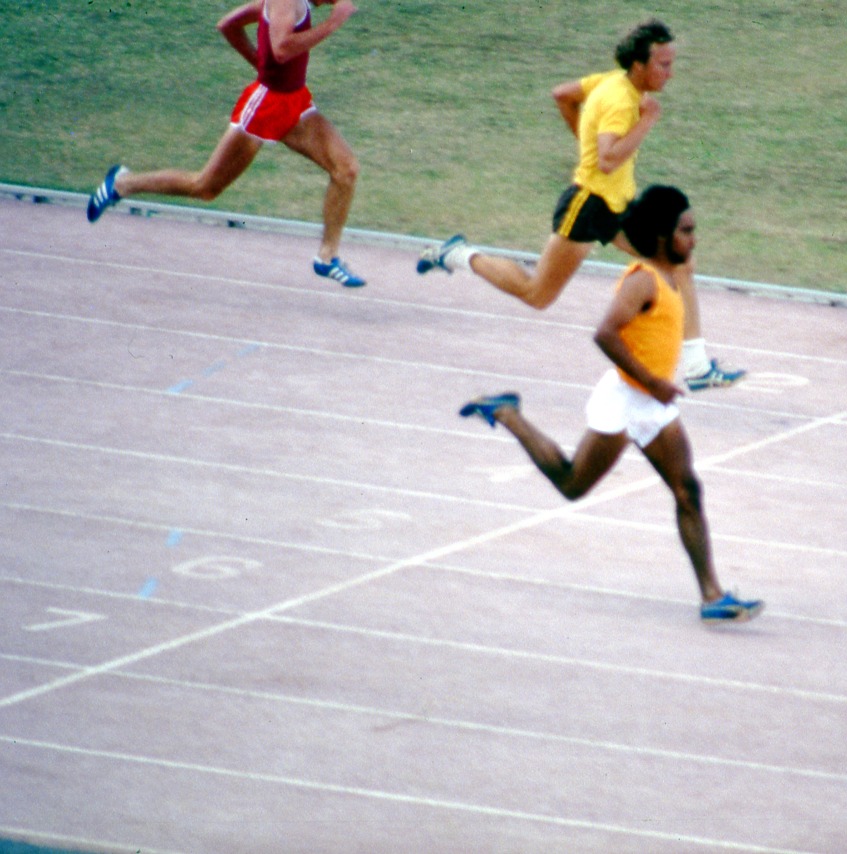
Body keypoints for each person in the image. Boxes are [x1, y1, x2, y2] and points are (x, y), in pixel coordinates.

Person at [458, 186, 763, 623]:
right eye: (686, 231)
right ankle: (507, 412)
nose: (694, 239)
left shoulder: (674, 273)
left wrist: (658, 388)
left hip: (653, 403)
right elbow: (604, 334)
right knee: (571, 485)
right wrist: (654, 381)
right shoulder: (644, 280)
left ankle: (713, 595)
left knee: (688, 490)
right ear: (662, 235)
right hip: (624, 398)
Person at [418, 19, 744, 391]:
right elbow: (607, 160)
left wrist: (584, 137)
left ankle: (697, 367)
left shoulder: (611, 81)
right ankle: (460, 255)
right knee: (536, 294)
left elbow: (562, 94)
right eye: (663, 65)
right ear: (638, 65)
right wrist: (647, 120)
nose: (670, 73)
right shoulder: (622, 100)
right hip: (588, 206)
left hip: (617, 205)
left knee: (680, 264)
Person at [86, 0, 366, 288]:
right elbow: (281, 50)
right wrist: (332, 24)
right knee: (205, 187)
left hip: (295, 104)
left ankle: (326, 257)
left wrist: (260, 61)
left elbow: (228, 25)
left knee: (346, 169)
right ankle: (123, 183)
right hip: (265, 108)